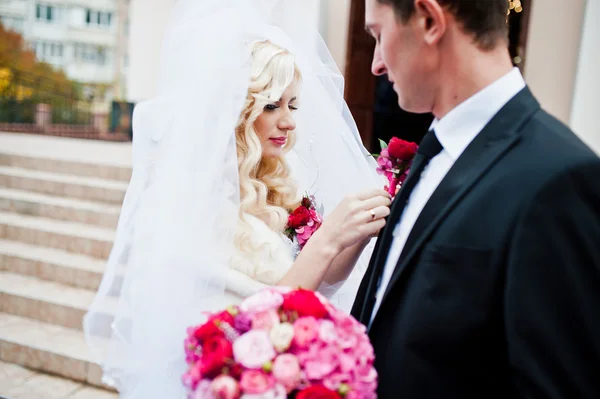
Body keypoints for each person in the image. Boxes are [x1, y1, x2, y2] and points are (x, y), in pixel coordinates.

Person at [84, 1, 388, 397]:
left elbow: (319, 284)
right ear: (237, 112)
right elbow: (252, 322)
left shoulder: (278, 180)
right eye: (271, 105)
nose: (290, 120)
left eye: (293, 105)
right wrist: (328, 238)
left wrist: (354, 234)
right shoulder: (199, 205)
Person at [352, 0, 600, 397]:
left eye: (379, 35)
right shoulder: (435, 151)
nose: (376, 64)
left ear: (429, 20)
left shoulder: (558, 180)